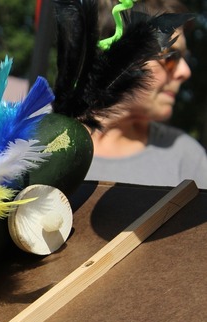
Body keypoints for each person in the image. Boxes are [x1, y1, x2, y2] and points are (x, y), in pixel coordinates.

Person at [86, 0, 207, 188]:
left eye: (185, 58)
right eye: (170, 57)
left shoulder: (186, 157)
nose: (185, 72)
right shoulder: (38, 143)